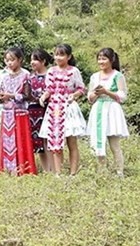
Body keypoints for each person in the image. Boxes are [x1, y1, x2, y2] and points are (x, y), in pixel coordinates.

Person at [38, 44, 86, 176]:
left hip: (68, 107)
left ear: (69, 56)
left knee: (71, 141)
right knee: (54, 139)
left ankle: (73, 172)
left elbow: (81, 88)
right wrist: (43, 96)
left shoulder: (74, 71)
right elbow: (49, 89)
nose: (58, 57)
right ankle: (58, 173)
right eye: (56, 54)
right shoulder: (51, 71)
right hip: (54, 108)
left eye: (62, 55)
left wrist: (74, 95)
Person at [0, 48, 36, 176]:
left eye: (12, 60)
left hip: (20, 113)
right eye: (7, 60)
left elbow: (28, 96)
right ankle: (7, 170)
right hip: (7, 112)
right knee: (6, 141)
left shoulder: (25, 74)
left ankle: (24, 169)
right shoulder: (3, 75)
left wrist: (11, 95)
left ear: (20, 60)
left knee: (21, 140)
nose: (9, 63)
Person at [86, 48, 129, 177]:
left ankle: (119, 171)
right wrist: (96, 93)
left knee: (114, 144)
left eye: (104, 58)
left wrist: (106, 92)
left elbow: (122, 96)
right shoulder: (95, 76)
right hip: (98, 108)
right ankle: (102, 170)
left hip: (112, 110)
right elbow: (90, 98)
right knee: (97, 142)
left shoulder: (117, 75)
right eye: (99, 58)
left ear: (111, 60)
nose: (101, 61)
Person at [27, 49, 53, 172]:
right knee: (38, 142)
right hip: (32, 110)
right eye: (31, 59)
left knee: (48, 139)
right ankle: (45, 169)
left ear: (43, 61)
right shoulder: (30, 77)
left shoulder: (51, 75)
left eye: (35, 59)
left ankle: (54, 169)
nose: (32, 62)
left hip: (47, 110)